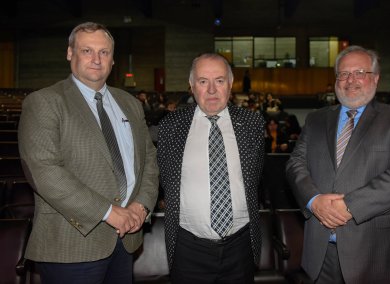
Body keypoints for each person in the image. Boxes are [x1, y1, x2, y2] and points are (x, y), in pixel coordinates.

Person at [18, 22, 159, 284]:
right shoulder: (45, 102)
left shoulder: (130, 104)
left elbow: (149, 160)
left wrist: (142, 205)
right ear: (70, 53)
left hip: (126, 238)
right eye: (87, 51)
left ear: (113, 59)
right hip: (71, 243)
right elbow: (44, 172)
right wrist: (109, 212)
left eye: (104, 52)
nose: (96, 59)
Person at [286, 45, 390, 284]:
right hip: (321, 253)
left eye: (360, 72)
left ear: (376, 78)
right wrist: (314, 201)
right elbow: (295, 163)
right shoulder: (316, 119)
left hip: (376, 254)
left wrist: (348, 206)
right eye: (343, 74)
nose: (351, 80)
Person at [157, 53, 265, 283]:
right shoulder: (171, 126)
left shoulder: (251, 123)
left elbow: (254, 177)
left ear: (231, 84)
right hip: (188, 249)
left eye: (219, 80)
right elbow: (165, 180)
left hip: (240, 246)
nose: (212, 90)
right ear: (191, 86)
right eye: (203, 81)